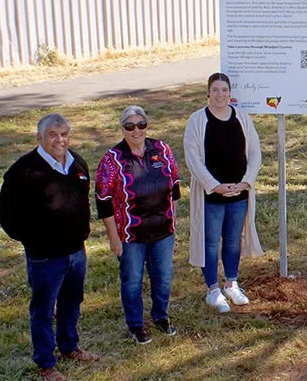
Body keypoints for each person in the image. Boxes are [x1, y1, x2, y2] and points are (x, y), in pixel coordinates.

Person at [0, 114, 99, 381]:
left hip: (76, 251)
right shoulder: (24, 171)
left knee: (71, 302)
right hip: (44, 257)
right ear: (39, 138)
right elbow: (4, 213)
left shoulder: (77, 163)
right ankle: (46, 363)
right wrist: (33, 239)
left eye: (64, 133)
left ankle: (69, 347)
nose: (60, 139)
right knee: (43, 310)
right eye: (53, 134)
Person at [95, 106, 181, 344]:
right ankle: (135, 324)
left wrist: (172, 219)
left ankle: (160, 316)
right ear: (122, 128)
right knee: (132, 280)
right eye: (130, 126)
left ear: (147, 126)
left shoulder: (161, 149)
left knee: (163, 277)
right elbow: (103, 202)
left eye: (141, 125)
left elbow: (174, 186)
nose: (136, 131)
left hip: (163, 230)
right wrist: (114, 238)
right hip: (130, 234)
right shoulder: (111, 160)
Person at [184, 72, 263, 313]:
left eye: (224, 90)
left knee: (232, 240)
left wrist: (246, 182)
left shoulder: (242, 118)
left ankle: (231, 283)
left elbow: (255, 153)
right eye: (215, 90)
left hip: (239, 194)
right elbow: (193, 159)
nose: (220, 94)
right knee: (209, 242)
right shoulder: (197, 120)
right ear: (208, 93)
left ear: (231, 93)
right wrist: (214, 185)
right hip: (211, 195)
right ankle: (212, 290)